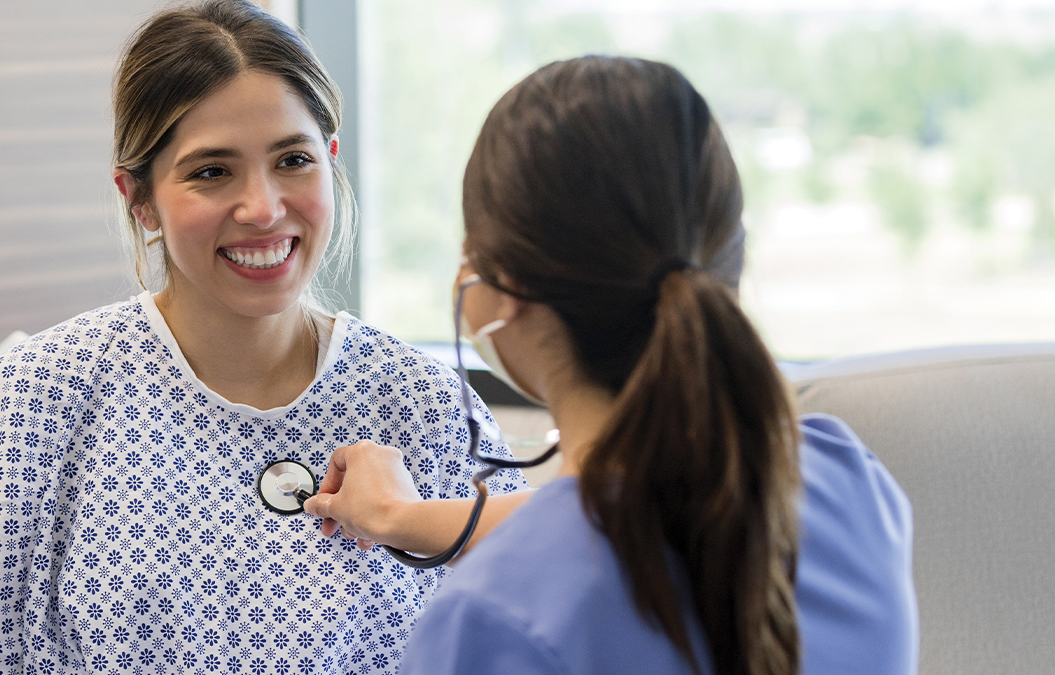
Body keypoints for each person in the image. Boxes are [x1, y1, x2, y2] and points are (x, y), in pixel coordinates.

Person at [0, 2, 527, 674]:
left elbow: (524, 617)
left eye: (292, 159)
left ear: (331, 161)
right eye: (211, 171)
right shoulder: (40, 396)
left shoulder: (424, 402)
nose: (262, 208)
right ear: (138, 198)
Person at [304, 57, 919, 675]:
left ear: (503, 286)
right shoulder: (843, 478)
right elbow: (631, 518)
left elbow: (587, 543)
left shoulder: (493, 619)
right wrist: (400, 518)